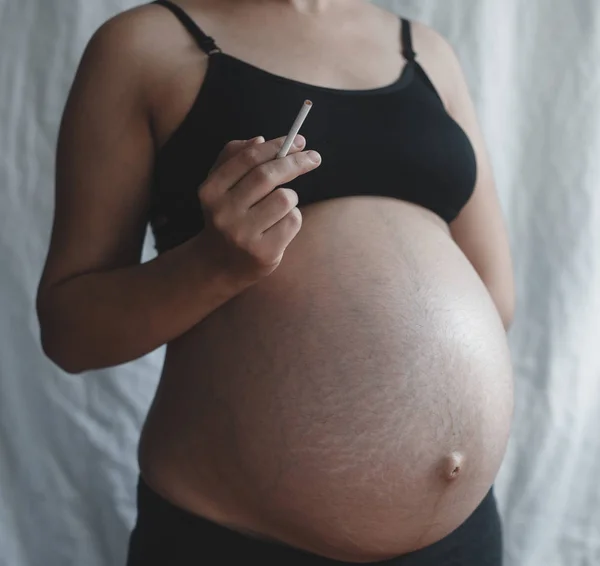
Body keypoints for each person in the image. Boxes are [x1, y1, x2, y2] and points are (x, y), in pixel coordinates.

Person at [36, 0, 516, 564]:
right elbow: (70, 332)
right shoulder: (146, 45)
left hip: (458, 541)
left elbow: (494, 291)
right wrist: (211, 266)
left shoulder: (428, 52)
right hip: (235, 540)